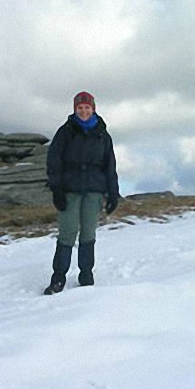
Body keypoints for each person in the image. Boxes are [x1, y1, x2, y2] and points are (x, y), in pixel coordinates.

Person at [44, 91, 119, 295]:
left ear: (93, 109)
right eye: (80, 108)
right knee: (67, 233)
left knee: (88, 234)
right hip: (70, 190)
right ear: (75, 109)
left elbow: (110, 166)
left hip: (94, 191)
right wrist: (56, 189)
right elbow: (54, 162)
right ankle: (58, 277)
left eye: (87, 107)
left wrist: (114, 193)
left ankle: (86, 274)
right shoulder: (65, 132)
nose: (84, 111)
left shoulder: (103, 135)